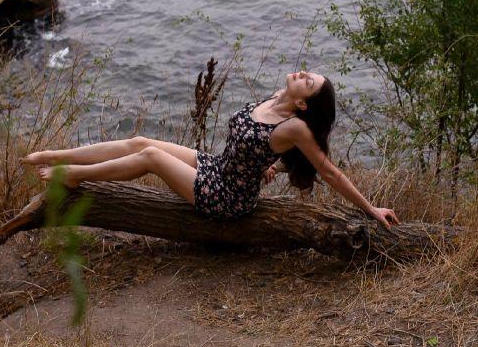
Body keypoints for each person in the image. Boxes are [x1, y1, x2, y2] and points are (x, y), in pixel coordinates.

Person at [22, 70, 400, 228]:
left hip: (228, 198)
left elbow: (327, 170)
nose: (302, 73)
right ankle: (58, 155)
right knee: (141, 142)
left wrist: (370, 208)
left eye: (309, 81)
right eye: (307, 73)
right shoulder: (277, 96)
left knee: (150, 157)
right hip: (216, 168)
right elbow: (269, 150)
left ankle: (74, 176)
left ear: (304, 103)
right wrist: (269, 164)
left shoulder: (296, 126)